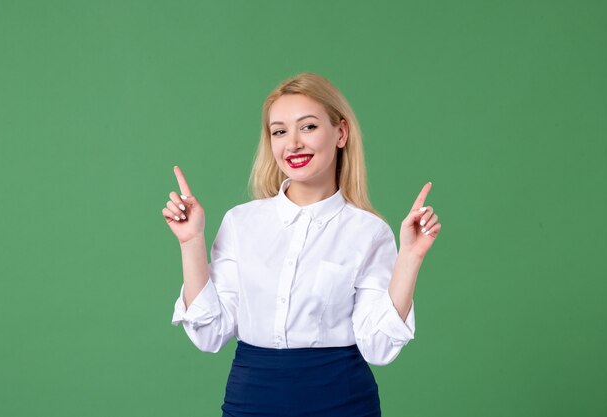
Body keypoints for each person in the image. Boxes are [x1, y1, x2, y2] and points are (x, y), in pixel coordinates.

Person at [163, 73, 442, 417]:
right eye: (279, 131)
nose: (292, 143)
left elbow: (379, 348)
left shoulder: (369, 232)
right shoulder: (240, 223)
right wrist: (191, 242)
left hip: (343, 402)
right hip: (252, 401)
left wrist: (411, 257)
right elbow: (209, 335)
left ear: (341, 133)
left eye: (307, 127)